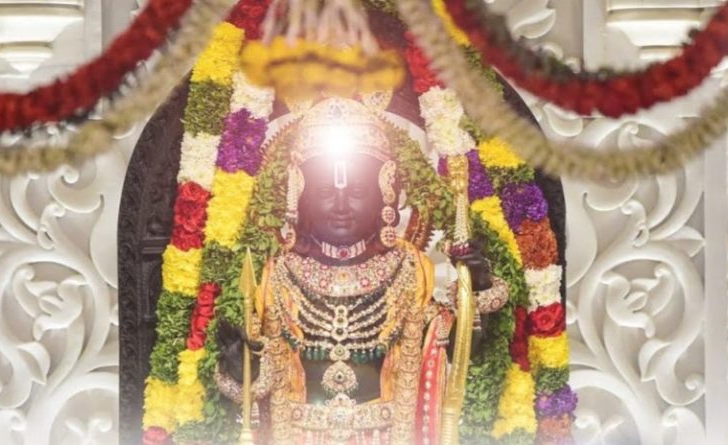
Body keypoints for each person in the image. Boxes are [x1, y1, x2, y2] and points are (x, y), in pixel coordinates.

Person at [213, 98, 508, 445]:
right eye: (325, 191)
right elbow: (259, 383)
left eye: (357, 191)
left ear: (385, 193)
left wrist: (475, 289)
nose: (341, 206)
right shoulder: (276, 276)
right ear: (299, 195)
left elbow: (451, 350)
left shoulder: (410, 270)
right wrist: (241, 367)